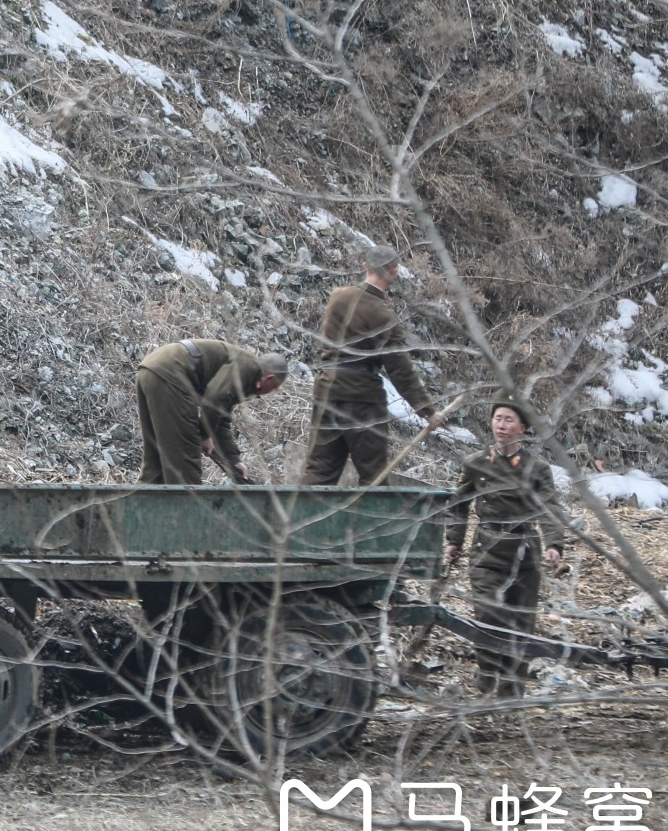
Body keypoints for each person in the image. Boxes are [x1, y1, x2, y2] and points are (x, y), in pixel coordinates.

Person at [445, 395, 566, 697]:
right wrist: (453, 541)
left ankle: (512, 691)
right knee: (487, 615)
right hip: (486, 550)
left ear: (522, 428)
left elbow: (550, 508)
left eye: (508, 419)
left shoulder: (537, 468)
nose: (501, 425)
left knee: (522, 620)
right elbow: (459, 505)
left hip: (525, 550)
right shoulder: (475, 463)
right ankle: (486, 679)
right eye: (498, 418)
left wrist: (554, 545)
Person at [301, 245, 442, 485]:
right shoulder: (383, 315)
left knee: (319, 472)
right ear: (394, 272)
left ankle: (298, 521)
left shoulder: (338, 296)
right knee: (373, 477)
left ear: (365, 266)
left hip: (325, 391)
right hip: (362, 399)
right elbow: (400, 370)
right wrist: (426, 410)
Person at [134, 339, 287, 484]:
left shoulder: (246, 373)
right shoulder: (248, 367)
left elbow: (221, 417)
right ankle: (187, 508)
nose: (267, 393)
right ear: (269, 378)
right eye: (274, 388)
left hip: (151, 369)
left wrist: (233, 460)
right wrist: (205, 435)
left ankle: (138, 507)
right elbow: (214, 399)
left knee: (155, 460)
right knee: (185, 461)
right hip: (172, 373)